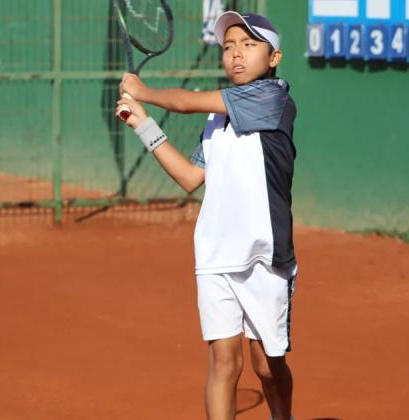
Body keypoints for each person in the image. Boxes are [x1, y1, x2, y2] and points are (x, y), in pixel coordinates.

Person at [115, 11, 297, 420]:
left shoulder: (273, 97)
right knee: (223, 363)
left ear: (274, 58)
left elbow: (182, 102)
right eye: (228, 46)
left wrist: (144, 92)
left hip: (264, 258)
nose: (236, 54)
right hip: (215, 256)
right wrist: (143, 125)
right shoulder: (217, 120)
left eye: (249, 45)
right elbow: (190, 177)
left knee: (266, 366)